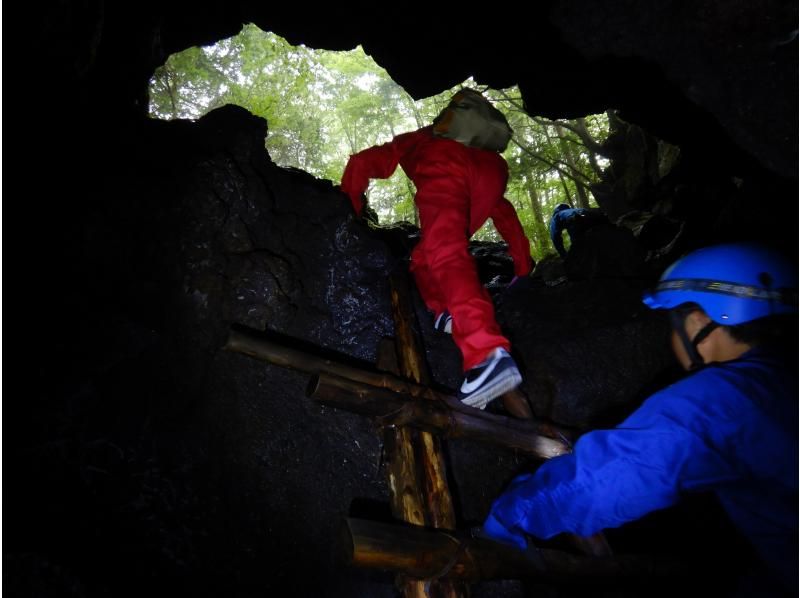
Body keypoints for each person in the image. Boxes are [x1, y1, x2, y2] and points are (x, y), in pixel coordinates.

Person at [481, 242, 798, 594]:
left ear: (698, 322)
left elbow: (611, 477)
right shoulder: (780, 377)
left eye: (672, 323)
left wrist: (511, 514)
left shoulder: (723, 401)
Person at [340, 89, 534, 410]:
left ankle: (486, 354)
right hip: (494, 175)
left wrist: (348, 211)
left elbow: (362, 162)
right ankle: (447, 312)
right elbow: (504, 214)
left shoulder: (423, 140)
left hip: (446, 164)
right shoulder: (484, 153)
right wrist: (523, 268)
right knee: (425, 257)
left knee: (445, 251)